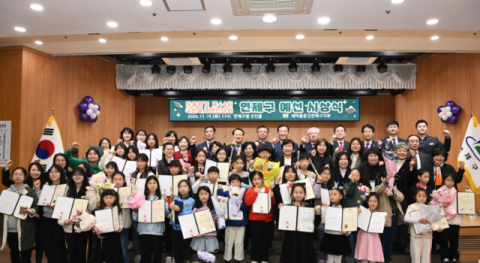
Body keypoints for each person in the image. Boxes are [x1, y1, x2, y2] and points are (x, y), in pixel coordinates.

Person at [0, 166, 38, 263]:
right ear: (12, 176)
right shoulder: (6, 192)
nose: (17, 176)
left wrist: (30, 211)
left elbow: (36, 208)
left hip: (25, 228)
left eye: (20, 174)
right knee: (14, 253)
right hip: (10, 228)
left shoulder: (29, 191)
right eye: (15, 174)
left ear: (25, 177)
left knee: (26, 254)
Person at [60, 167, 97, 263]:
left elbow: (92, 207)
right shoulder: (66, 190)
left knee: (82, 253)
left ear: (84, 176)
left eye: (80, 174)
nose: (77, 176)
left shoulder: (90, 189)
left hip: (84, 227)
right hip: (69, 226)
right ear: (71, 177)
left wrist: (89, 192)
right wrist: (63, 221)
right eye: (75, 174)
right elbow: (62, 209)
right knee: (71, 253)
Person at [278, 183, 322, 263]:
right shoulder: (287, 207)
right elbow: (282, 223)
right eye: (296, 192)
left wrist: (318, 213)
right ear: (292, 194)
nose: (298, 194)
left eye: (301, 192)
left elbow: (316, 223)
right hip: (291, 238)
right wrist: (281, 210)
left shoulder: (309, 207)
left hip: (305, 238)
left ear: (305, 194)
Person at [217, 174, 250, 263]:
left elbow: (247, 208)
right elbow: (220, 201)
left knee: (239, 243)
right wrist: (219, 188)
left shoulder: (244, 193)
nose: (235, 184)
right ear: (229, 183)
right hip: (229, 222)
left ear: (240, 183)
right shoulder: (227, 193)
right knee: (228, 242)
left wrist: (240, 205)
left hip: (241, 222)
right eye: (233, 182)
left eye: (237, 182)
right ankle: (227, 260)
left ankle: (237, 260)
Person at [244, 171, 276, 263]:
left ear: (262, 179)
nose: (257, 181)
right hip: (255, 220)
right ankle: (254, 259)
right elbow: (248, 202)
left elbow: (273, 203)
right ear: (252, 181)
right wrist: (255, 193)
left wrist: (272, 196)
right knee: (255, 241)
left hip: (267, 220)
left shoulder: (267, 189)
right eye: (254, 179)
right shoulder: (250, 190)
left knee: (265, 241)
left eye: (259, 179)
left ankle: (264, 259)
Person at [133, 176, 166, 263]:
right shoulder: (141, 198)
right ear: (146, 185)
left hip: (157, 232)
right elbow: (135, 218)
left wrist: (165, 205)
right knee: (145, 257)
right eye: (150, 183)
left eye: (154, 183)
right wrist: (136, 210)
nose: (152, 185)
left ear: (158, 185)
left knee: (157, 257)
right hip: (144, 231)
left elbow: (166, 215)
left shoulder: (162, 198)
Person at [405, 188, 443, 263]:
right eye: (419, 196)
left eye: (424, 196)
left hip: (427, 236)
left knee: (426, 258)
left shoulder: (430, 207)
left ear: (427, 197)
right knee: (416, 257)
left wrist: (437, 228)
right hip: (415, 236)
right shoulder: (411, 207)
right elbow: (406, 219)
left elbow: (434, 221)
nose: (422, 198)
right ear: (414, 196)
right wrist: (419, 220)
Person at [439, 175, 471, 263]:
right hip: (444, 219)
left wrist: (468, 191)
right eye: (448, 180)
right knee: (444, 240)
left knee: (454, 239)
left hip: (455, 220)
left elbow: (466, 202)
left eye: (452, 181)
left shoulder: (457, 193)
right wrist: (442, 205)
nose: (450, 182)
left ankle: (454, 256)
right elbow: (434, 204)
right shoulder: (439, 192)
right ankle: (445, 257)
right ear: (444, 181)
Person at [41, 165, 68, 263]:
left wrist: (56, 207)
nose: (53, 174)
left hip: (58, 219)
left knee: (59, 243)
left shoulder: (66, 187)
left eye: (56, 172)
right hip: (45, 218)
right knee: (48, 244)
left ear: (61, 173)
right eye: (51, 172)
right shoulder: (45, 186)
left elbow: (67, 205)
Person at [376, 172, 405, 263]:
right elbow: (378, 191)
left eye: (391, 178)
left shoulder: (394, 188)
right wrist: (386, 181)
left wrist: (393, 194)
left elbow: (402, 197)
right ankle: (381, 259)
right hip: (384, 218)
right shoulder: (380, 187)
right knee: (382, 240)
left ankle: (388, 259)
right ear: (382, 178)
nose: (390, 180)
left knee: (390, 241)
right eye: (387, 178)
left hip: (394, 217)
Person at [166, 180, 196, 263]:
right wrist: (169, 208)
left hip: (186, 230)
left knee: (185, 252)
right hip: (175, 229)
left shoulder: (192, 201)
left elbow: (190, 214)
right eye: (180, 186)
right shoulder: (175, 199)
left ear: (189, 188)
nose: (182, 188)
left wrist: (180, 210)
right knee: (176, 252)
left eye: (185, 186)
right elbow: (169, 215)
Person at [320, 188, 352, 263]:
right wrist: (324, 208)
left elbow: (349, 223)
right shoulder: (327, 207)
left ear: (341, 196)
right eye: (331, 194)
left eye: (335, 194)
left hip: (340, 237)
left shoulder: (345, 209)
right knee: (330, 260)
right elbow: (323, 221)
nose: (332, 196)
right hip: (329, 236)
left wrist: (347, 232)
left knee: (338, 260)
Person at [354, 193, 385, 263]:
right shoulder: (363, 211)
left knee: (373, 257)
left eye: (375, 201)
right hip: (364, 236)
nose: (372, 203)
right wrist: (357, 212)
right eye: (370, 201)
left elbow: (381, 225)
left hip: (374, 237)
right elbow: (355, 219)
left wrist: (384, 220)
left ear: (378, 203)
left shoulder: (379, 215)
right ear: (367, 202)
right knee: (364, 257)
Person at [96, 189, 124, 263]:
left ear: (115, 198)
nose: (108, 199)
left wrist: (119, 228)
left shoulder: (117, 210)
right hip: (103, 236)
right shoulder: (100, 210)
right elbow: (97, 223)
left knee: (114, 255)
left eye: (111, 197)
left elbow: (121, 223)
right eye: (106, 198)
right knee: (103, 256)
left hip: (114, 236)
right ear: (103, 198)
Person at [313, 167, 334, 263]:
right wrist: (317, 182)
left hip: (331, 216)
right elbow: (316, 195)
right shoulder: (315, 183)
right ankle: (321, 258)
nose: (326, 175)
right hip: (319, 215)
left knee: (329, 240)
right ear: (320, 174)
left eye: (328, 174)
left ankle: (328, 259)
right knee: (320, 239)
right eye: (324, 173)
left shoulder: (334, 185)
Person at [112, 172, 133, 263]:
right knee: (113, 248)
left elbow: (135, 199)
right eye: (115, 179)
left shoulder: (128, 190)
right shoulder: (109, 191)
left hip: (124, 223)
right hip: (112, 223)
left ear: (124, 181)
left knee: (123, 247)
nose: (117, 181)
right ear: (112, 180)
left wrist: (133, 186)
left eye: (120, 179)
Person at [191, 187, 219, 255]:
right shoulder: (196, 209)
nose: (203, 196)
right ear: (198, 195)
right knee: (201, 256)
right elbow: (193, 223)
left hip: (210, 235)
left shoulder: (214, 208)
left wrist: (220, 219)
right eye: (201, 194)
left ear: (209, 195)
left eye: (206, 194)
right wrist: (195, 232)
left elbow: (218, 224)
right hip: (200, 236)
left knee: (209, 257)